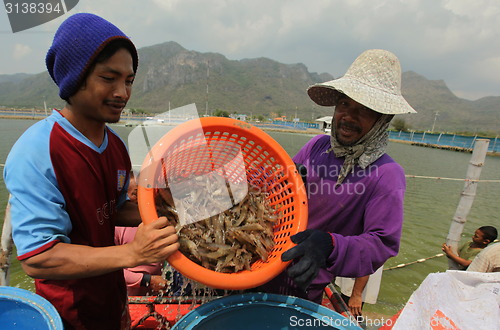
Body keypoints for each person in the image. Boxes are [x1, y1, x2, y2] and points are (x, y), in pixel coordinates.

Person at [3, 13, 179, 329]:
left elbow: (111, 209)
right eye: (108, 78)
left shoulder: (115, 145)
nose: (123, 93)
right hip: (68, 313)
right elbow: (37, 258)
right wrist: (133, 253)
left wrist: (165, 206)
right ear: (75, 77)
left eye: (128, 81)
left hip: (111, 301)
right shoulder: (37, 152)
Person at [259, 49, 417, 304]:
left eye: (364, 110)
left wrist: (330, 246)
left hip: (302, 286)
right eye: (345, 104)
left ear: (383, 119)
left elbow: (380, 244)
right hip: (262, 262)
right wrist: (284, 178)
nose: (348, 116)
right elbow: (275, 187)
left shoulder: (386, 174)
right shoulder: (317, 147)